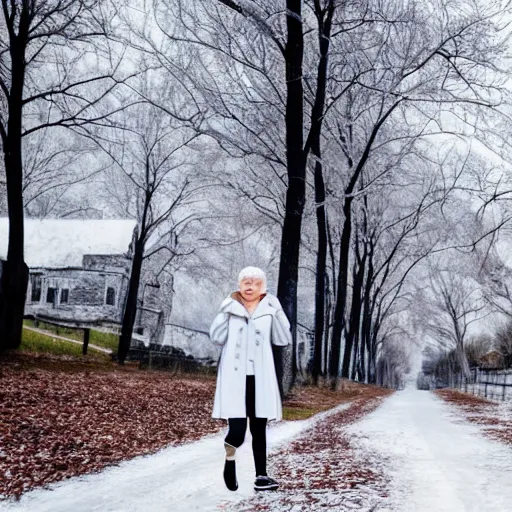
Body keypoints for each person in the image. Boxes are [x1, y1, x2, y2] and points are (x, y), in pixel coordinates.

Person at [209, 266, 292, 492]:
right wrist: (224, 311)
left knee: (258, 428)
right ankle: (229, 460)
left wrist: (277, 311)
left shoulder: (268, 309)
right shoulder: (230, 308)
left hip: (260, 378)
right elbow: (216, 337)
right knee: (236, 432)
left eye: (255, 282)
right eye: (246, 281)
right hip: (235, 379)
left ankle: (261, 476)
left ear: (262, 287)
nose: (250, 286)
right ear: (239, 284)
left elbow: (283, 338)